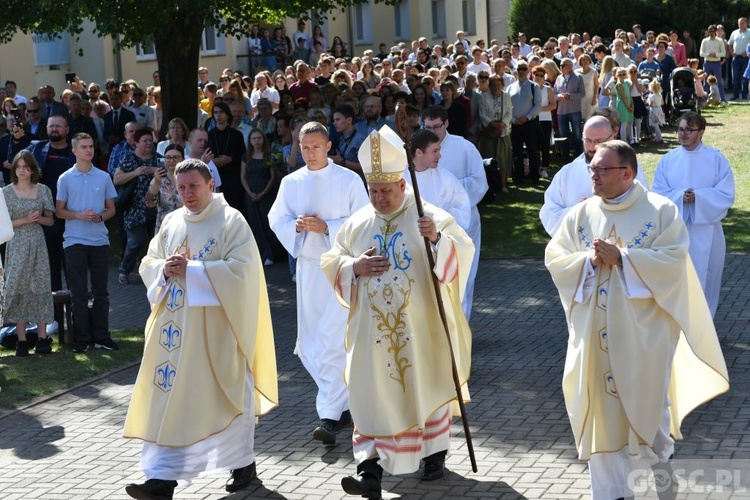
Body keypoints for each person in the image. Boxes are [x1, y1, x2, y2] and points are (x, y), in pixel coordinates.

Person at [545, 140, 729, 500]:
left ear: (626, 173)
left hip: (643, 339)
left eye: (601, 169)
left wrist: (625, 259)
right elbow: (556, 258)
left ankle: (657, 473)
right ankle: (610, 493)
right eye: (592, 169)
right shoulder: (580, 214)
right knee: (602, 416)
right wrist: (588, 261)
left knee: (646, 411)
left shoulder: (661, 211)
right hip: (592, 340)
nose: (593, 176)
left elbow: (674, 261)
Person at [320, 126, 474, 498]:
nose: (379, 198)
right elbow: (331, 260)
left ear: (403, 186)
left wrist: (437, 239)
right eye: (373, 191)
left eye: (386, 190)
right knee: (368, 394)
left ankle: (434, 455)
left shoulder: (428, 216)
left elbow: (462, 252)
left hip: (421, 331)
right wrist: (353, 267)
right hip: (371, 335)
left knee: (423, 385)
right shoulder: (357, 223)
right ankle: (369, 471)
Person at [123, 159, 278, 500]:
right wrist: (164, 269)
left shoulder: (231, 222)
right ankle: (161, 479)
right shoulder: (172, 221)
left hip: (217, 331)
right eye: (181, 188)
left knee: (227, 395)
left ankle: (243, 464)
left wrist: (193, 270)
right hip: (172, 334)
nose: (188, 194)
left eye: (194, 186)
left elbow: (245, 272)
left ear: (211, 185)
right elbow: (149, 261)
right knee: (168, 401)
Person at [268, 121, 369, 446]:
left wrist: (328, 227)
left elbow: (364, 222)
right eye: (304, 146)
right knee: (311, 343)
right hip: (309, 269)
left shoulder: (348, 179)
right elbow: (276, 218)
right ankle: (345, 407)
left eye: (316, 146)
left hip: (342, 269)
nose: (310, 152)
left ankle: (329, 415)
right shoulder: (291, 182)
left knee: (333, 339)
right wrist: (296, 228)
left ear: (328, 147)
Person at [652, 112, 734, 317]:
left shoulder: (716, 159)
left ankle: (705, 326)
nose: (683, 134)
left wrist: (699, 197)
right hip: (675, 230)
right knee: (677, 278)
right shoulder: (669, 159)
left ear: (702, 132)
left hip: (708, 228)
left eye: (689, 130)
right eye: (680, 129)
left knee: (708, 276)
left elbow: (726, 193)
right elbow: (658, 192)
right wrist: (680, 196)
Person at [421, 105, 487, 319]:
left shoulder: (464, 148)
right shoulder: (417, 150)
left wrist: (450, 190)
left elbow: (479, 182)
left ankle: (462, 325)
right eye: (427, 126)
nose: (432, 131)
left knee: (463, 274)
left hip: (463, 220)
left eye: (437, 126)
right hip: (427, 225)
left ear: (446, 123)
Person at [55, 133, 119, 353]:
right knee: (79, 294)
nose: (89, 150)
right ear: (74, 150)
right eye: (83, 147)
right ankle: (81, 339)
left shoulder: (103, 176)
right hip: (74, 242)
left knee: (101, 292)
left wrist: (100, 217)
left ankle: (102, 336)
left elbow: (111, 209)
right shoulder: (65, 178)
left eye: (91, 146)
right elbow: (59, 210)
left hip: (100, 241)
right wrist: (79, 215)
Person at [540, 116, 650, 237]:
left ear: (612, 137)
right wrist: (580, 211)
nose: (592, 147)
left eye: (598, 141)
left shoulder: (627, 170)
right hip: (579, 249)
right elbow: (549, 213)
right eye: (587, 140)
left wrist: (602, 209)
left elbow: (643, 207)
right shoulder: (567, 173)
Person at [3, 151, 55, 357]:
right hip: (16, 244)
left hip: (37, 243)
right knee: (17, 287)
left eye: (26, 166)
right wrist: (25, 219)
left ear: (33, 168)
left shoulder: (43, 190)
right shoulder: (6, 192)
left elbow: (50, 220)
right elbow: (3, 224)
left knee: (40, 286)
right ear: (14, 169)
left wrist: (37, 218)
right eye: (18, 166)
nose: (22, 170)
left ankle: (42, 338)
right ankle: (21, 340)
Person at [113, 128, 158, 285]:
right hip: (134, 208)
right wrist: (136, 172)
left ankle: (154, 271)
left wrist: (154, 170)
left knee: (156, 240)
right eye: (144, 140)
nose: (148, 143)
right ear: (136, 143)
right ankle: (124, 270)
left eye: (150, 140)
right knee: (136, 240)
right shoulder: (129, 159)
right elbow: (116, 179)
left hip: (155, 208)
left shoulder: (158, 160)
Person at [405, 129, 471, 231]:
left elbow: (462, 209)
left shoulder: (447, 179)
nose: (439, 155)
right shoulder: (400, 178)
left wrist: (438, 226)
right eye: (435, 151)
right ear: (419, 152)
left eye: (439, 150)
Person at [240, 129, 279, 266]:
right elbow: (242, 176)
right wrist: (250, 193)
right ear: (250, 141)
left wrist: (263, 193)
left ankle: (272, 253)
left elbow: (272, 177)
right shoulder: (246, 156)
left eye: (259, 138)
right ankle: (260, 254)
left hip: (266, 194)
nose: (257, 141)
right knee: (254, 224)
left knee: (268, 224)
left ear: (263, 140)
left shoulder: (269, 156)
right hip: (250, 194)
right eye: (254, 138)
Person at [506, 61, 541, 186]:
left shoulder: (534, 86)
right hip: (515, 124)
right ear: (516, 70)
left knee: (533, 151)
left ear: (527, 71)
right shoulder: (510, 88)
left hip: (529, 123)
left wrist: (527, 117)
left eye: (523, 68)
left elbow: (538, 105)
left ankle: (535, 177)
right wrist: (514, 119)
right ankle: (519, 177)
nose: (521, 71)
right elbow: (508, 107)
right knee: (517, 152)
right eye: (519, 68)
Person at [478, 75, 512, 193]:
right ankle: (488, 185)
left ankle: (503, 185)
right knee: (488, 158)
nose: (496, 87)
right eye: (494, 85)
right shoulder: (484, 97)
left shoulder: (506, 96)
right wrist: (493, 124)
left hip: (503, 131)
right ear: (490, 86)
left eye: (498, 85)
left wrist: (502, 124)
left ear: (502, 85)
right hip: (489, 131)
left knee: (502, 159)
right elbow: (482, 114)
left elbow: (509, 113)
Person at [145, 144, 184, 232]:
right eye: (168, 157)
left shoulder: (189, 179)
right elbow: (149, 203)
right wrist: (156, 182)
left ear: (183, 159)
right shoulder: (158, 179)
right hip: (165, 227)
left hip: (185, 225)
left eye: (176, 157)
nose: (171, 160)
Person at [554, 58, 585, 161]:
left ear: (570, 66)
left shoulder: (578, 77)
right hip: (561, 111)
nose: (561, 67)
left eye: (563, 65)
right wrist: (559, 96)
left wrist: (570, 96)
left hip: (574, 110)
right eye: (560, 65)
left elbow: (582, 93)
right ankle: (565, 155)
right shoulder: (559, 78)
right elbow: (554, 94)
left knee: (577, 134)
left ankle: (579, 155)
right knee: (563, 135)